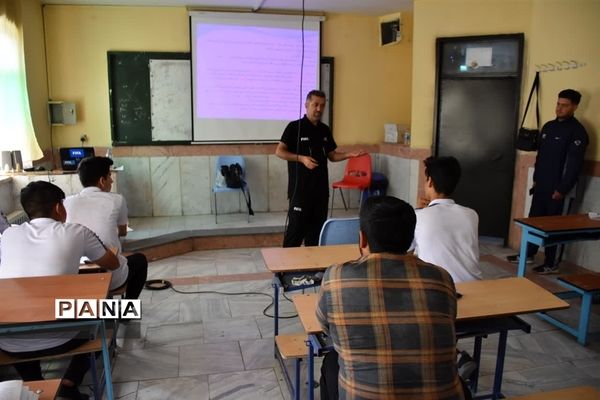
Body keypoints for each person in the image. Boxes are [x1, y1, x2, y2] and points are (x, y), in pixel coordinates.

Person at [316, 196, 465, 400]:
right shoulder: (441, 278)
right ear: (410, 239)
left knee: (332, 361)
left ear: (362, 239)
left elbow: (326, 328)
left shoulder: (335, 278)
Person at [0, 181, 120, 400]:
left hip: (7, 341)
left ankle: (33, 382)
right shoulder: (76, 231)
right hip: (63, 336)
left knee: (27, 311)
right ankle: (71, 379)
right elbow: (113, 264)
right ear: (58, 207)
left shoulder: (7, 235)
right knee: (115, 309)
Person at [507, 89, 589, 274]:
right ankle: (528, 254)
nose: (559, 108)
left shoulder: (577, 132)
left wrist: (562, 189)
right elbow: (541, 156)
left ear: (575, 106)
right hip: (541, 185)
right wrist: (536, 180)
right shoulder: (549, 127)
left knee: (556, 227)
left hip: (559, 190)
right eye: (558, 104)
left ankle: (552, 263)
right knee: (534, 221)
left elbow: (574, 166)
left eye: (564, 105)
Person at [275, 90, 364, 247]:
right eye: (315, 104)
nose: (319, 109)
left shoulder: (324, 130)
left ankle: (314, 269)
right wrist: (301, 158)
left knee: (316, 234)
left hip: (321, 192)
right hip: (300, 191)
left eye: (322, 106)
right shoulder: (294, 127)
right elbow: (279, 151)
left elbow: (332, 155)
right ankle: (285, 271)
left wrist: (349, 155)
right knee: (295, 232)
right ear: (306, 105)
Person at [64, 156, 148, 299]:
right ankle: (127, 310)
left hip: (77, 273)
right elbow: (122, 232)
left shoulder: (67, 202)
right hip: (110, 274)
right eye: (109, 176)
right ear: (102, 181)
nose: (112, 180)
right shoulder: (117, 199)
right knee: (139, 260)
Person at [413, 156, 482, 283]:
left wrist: (419, 210)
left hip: (440, 289)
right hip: (474, 286)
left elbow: (406, 249)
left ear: (430, 182)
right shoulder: (471, 215)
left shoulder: (418, 216)